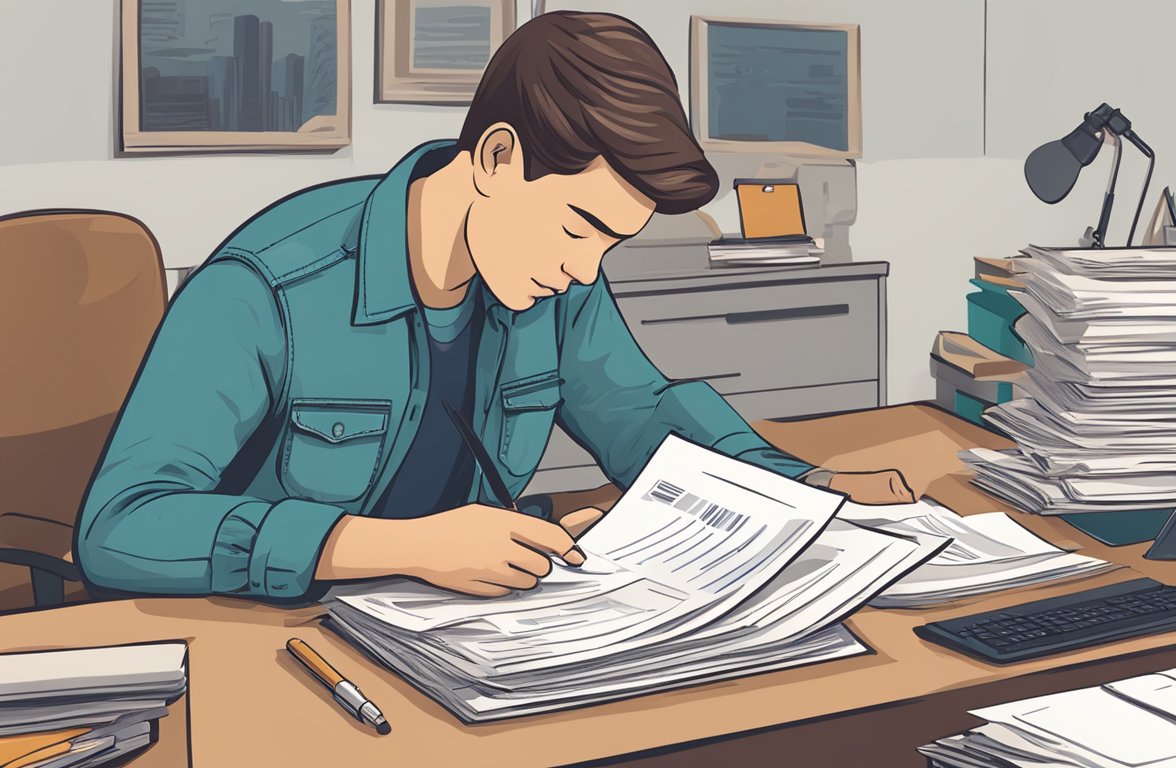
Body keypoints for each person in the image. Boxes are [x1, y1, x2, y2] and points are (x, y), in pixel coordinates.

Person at [75, 11, 913, 603]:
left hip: (468, 634)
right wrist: (403, 549)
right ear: (498, 158)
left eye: (608, 245)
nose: (585, 268)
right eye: (580, 226)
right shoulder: (266, 287)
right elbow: (121, 525)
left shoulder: (552, 276)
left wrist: (810, 485)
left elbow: (643, 417)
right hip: (282, 644)